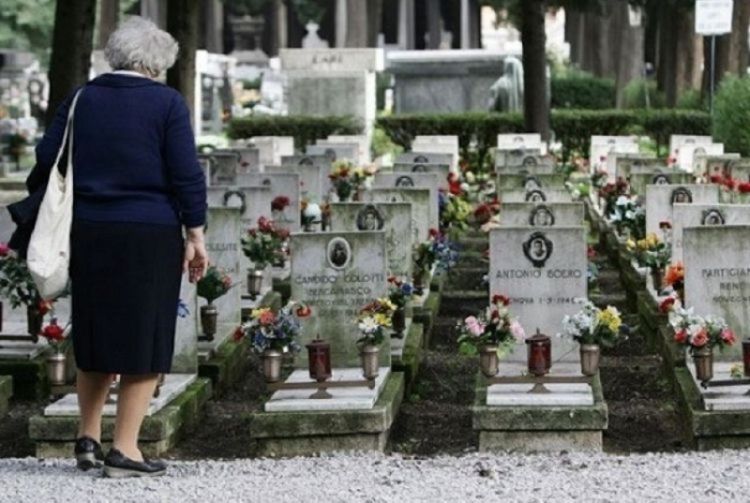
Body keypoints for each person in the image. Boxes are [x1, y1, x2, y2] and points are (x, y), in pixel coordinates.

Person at [28, 17, 208, 478]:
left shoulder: (82, 98)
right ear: (155, 63)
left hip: (89, 230)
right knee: (144, 340)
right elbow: (185, 173)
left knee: (95, 331)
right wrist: (195, 235)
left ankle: (87, 437)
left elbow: (47, 159)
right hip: (149, 232)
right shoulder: (167, 103)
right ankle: (125, 449)